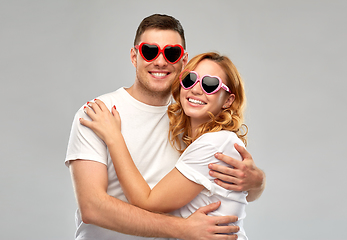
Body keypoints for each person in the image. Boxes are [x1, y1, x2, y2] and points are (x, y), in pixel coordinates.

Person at [65, 14, 265, 240]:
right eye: (149, 51)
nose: (160, 61)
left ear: (183, 60)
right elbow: (92, 208)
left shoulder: (189, 120)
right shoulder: (98, 113)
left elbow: (225, 188)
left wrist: (257, 182)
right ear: (134, 56)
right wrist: (182, 229)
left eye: (171, 53)